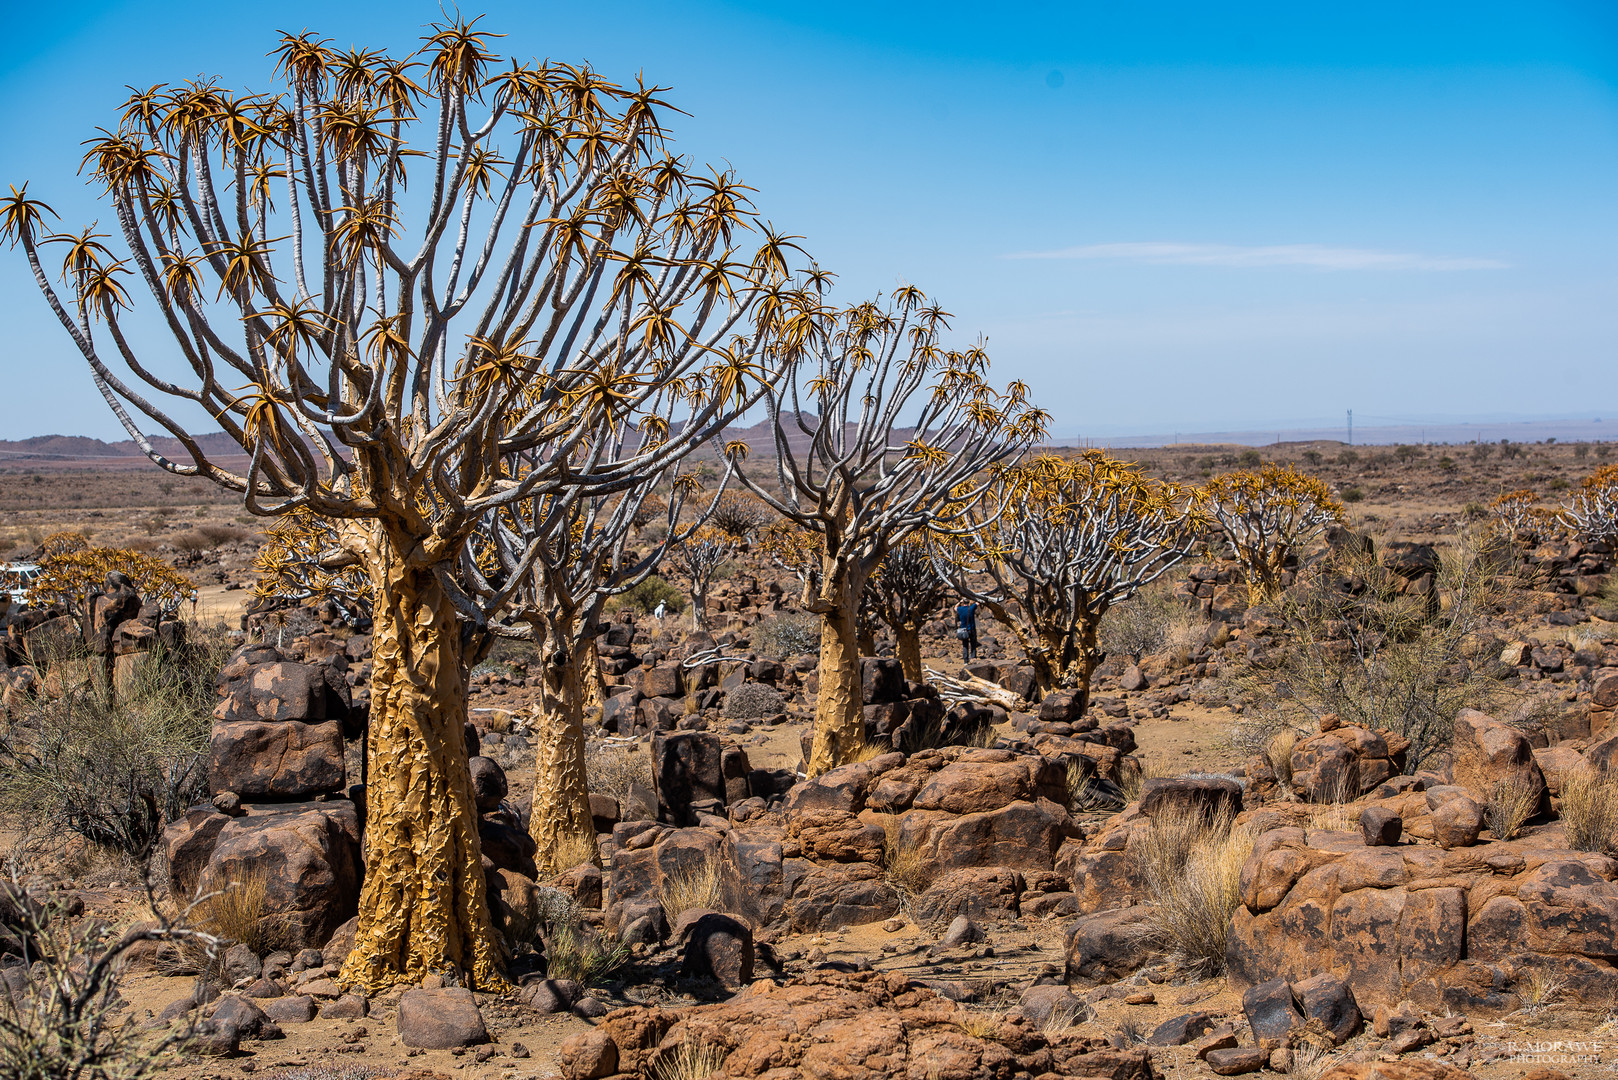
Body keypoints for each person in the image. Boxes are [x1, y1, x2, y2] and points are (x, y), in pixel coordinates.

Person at [954, 596, 979, 663]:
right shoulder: (971, 608)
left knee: (965, 645)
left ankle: (965, 660)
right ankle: (973, 657)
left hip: (963, 630)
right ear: (968, 602)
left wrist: (960, 602)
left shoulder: (960, 609)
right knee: (973, 644)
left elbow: (955, 608)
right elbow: (978, 603)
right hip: (972, 629)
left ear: (963, 602)